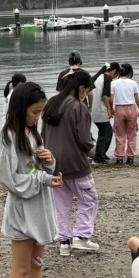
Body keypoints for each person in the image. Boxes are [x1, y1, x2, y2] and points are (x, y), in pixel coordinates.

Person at [0, 82, 66, 278]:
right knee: (21, 267)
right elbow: (7, 179)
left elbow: (36, 168)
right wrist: (43, 179)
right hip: (22, 210)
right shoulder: (10, 136)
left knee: (37, 264)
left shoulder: (32, 134)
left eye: (40, 112)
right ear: (20, 108)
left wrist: (49, 161)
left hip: (39, 207)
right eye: (35, 112)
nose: (38, 117)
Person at [42, 69, 99, 255]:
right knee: (89, 198)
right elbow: (85, 140)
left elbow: (43, 134)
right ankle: (81, 236)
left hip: (52, 163)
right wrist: (94, 151)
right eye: (87, 90)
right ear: (81, 88)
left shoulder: (51, 103)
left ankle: (64, 241)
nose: (87, 94)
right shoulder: (78, 107)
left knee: (62, 203)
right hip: (75, 163)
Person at [112, 63, 139, 165]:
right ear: (130, 73)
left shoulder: (114, 83)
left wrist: (110, 110)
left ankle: (119, 157)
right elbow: (136, 99)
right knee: (132, 133)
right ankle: (131, 157)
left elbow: (111, 99)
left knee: (119, 134)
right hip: (131, 108)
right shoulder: (133, 83)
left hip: (119, 108)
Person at [91, 62, 119, 164]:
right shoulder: (107, 79)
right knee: (104, 133)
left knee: (108, 131)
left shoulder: (100, 77)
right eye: (116, 75)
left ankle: (102, 154)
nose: (115, 77)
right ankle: (98, 157)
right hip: (100, 111)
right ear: (114, 71)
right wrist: (109, 109)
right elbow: (105, 97)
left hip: (94, 110)